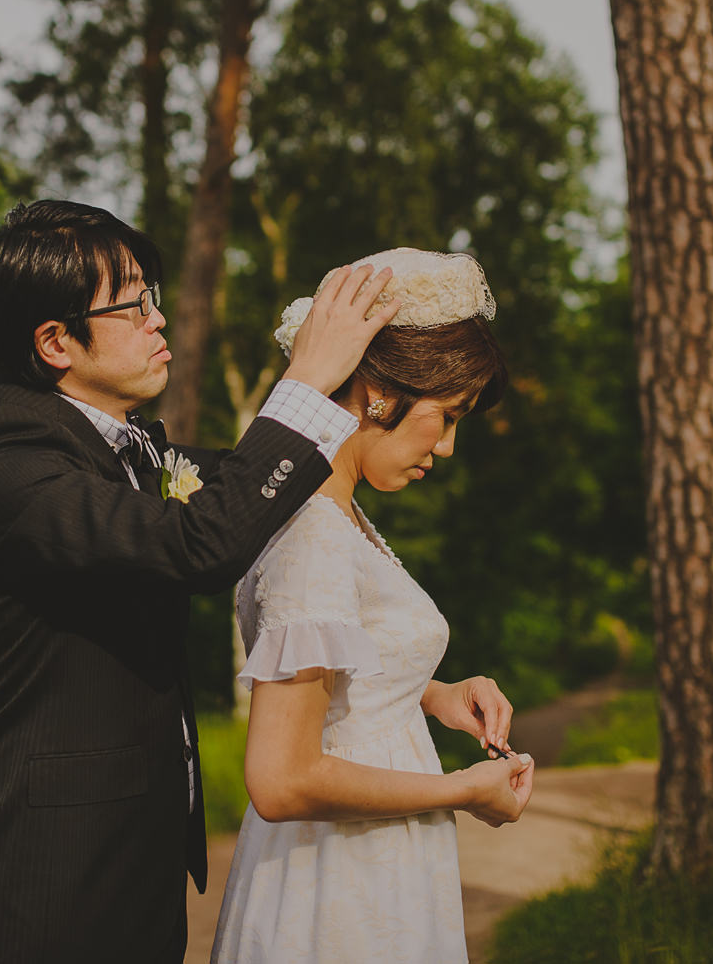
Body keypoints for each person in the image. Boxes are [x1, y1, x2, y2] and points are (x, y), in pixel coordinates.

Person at [0, 199, 399, 964]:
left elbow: (255, 492)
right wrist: (307, 378)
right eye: (133, 303)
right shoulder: (4, 458)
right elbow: (201, 545)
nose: (159, 320)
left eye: (154, 296)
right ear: (55, 342)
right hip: (52, 869)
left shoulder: (136, 450)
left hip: (142, 852)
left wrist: (376, 400)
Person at [209, 247, 537, 964]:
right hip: (337, 890)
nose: (447, 448)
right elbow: (283, 777)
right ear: (378, 391)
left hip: (369, 865)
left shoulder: (340, 517)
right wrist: (462, 789)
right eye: (446, 417)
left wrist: (431, 692)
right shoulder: (315, 533)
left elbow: (335, 688)